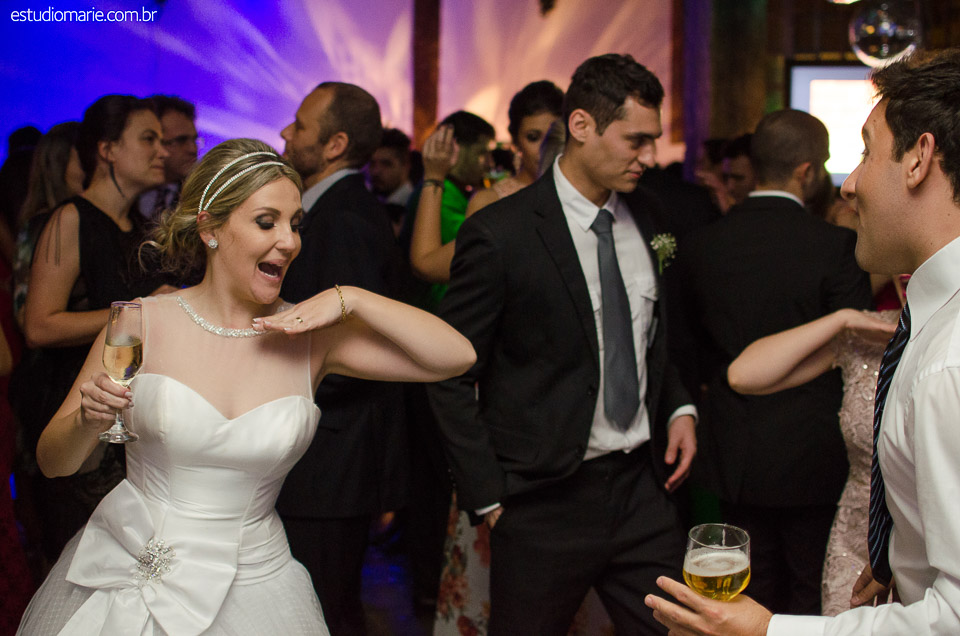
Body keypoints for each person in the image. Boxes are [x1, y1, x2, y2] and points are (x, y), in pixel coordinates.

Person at [15, 137, 475, 635]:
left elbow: (455, 356)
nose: (289, 241)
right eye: (266, 222)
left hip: (258, 587)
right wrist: (88, 421)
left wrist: (354, 298)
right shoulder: (139, 322)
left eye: (295, 224)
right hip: (129, 580)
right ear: (210, 227)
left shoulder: (308, 336)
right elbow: (54, 462)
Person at [646, 47, 960, 635]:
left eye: (866, 152)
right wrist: (902, 559)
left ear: (919, 159)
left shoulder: (949, 363)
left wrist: (767, 631)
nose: (850, 185)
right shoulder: (932, 319)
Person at [427, 53, 697, 635]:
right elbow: (447, 372)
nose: (649, 157)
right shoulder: (501, 233)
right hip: (542, 502)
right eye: (635, 140)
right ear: (581, 126)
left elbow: (651, 336)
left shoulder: (652, 216)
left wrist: (679, 407)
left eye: (652, 141)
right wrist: (489, 498)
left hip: (642, 492)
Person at [672, 108, 873, 616]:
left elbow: (684, 350)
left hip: (734, 448)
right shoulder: (837, 246)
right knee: (811, 594)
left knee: (744, 595)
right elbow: (852, 355)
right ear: (807, 171)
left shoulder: (701, 245)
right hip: (815, 452)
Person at [277, 81, 410, 636]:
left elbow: (355, 348)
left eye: (300, 125)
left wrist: (270, 381)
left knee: (326, 610)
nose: (285, 132)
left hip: (334, 457)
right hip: (325, 452)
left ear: (334, 145)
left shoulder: (347, 218)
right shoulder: (329, 209)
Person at [19, 95, 176, 563]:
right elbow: (39, 326)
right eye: (148, 139)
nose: (162, 151)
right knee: (86, 558)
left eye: (163, 141)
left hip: (127, 418)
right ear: (107, 150)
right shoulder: (71, 218)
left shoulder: (141, 227)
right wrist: (138, 312)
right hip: (76, 407)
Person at [726, 305, 898, 616]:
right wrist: (842, 319)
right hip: (856, 542)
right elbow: (742, 375)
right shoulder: (867, 333)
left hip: (929, 543)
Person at [410, 81, 563, 285]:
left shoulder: (585, 192)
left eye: (553, 137)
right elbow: (428, 265)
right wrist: (434, 176)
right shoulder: (492, 200)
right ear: (516, 142)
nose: (544, 148)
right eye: (533, 137)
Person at [13, 121, 85, 325]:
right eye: (83, 160)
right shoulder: (44, 225)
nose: (91, 168)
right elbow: (25, 316)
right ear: (59, 166)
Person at [138, 95, 199, 220]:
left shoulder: (200, 196)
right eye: (181, 140)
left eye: (194, 140)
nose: (193, 149)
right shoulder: (127, 190)